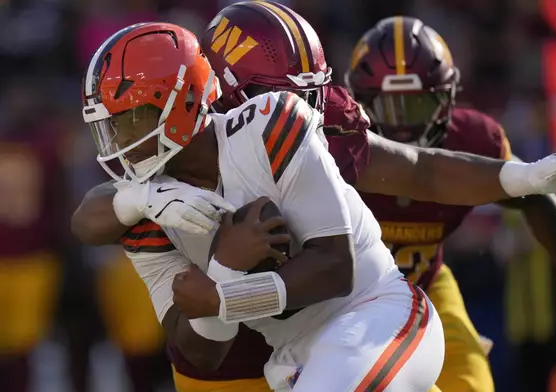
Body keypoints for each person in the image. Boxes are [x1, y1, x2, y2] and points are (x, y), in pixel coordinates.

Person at [71, 3, 556, 392]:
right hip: (273, 354)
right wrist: (149, 209)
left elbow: (416, 176)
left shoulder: (284, 120)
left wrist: (522, 178)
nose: (308, 109)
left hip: (373, 307)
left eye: (309, 93)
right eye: (282, 94)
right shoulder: (150, 196)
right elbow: (96, 224)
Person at [80, 21, 446, 392]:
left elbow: (335, 268)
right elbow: (202, 353)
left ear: (184, 101)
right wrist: (224, 269)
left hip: (376, 316)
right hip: (293, 360)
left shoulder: (268, 125)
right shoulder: (151, 209)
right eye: (111, 126)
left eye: (129, 119)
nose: (120, 140)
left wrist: (223, 297)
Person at [344, 16, 556, 392]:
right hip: (345, 299)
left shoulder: (474, 139)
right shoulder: (334, 146)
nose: (403, 131)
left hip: (427, 286)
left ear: (447, 98)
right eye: (389, 109)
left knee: (473, 385)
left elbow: (534, 202)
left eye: (417, 107)